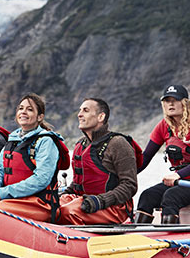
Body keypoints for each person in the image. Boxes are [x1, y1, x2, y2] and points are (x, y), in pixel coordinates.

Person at [0, 93, 69, 222]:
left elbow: (42, 179)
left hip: (39, 203)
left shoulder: (46, 142)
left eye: (30, 109)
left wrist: (4, 192)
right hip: (13, 199)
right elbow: (0, 170)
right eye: (21, 108)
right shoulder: (11, 140)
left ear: (40, 117)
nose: (23, 112)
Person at [58, 98, 140, 225]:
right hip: (84, 202)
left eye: (85, 110)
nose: (79, 114)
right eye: (80, 110)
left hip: (113, 207)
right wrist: (61, 195)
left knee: (67, 211)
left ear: (101, 117)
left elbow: (129, 186)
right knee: (50, 208)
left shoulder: (118, 143)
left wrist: (99, 201)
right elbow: (77, 183)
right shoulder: (80, 144)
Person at [135, 84, 190, 224]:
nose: (170, 104)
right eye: (167, 100)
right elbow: (145, 157)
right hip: (178, 182)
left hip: (182, 181)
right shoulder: (163, 126)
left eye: (175, 100)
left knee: (171, 196)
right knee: (147, 195)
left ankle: (171, 241)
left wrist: (178, 175)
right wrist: (125, 175)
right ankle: (138, 236)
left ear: (185, 103)